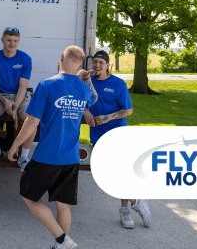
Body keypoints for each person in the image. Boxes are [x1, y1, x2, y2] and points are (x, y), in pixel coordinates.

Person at [8, 46, 96, 249]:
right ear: (80, 65)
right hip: (71, 158)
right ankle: (61, 246)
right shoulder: (83, 89)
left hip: (49, 155)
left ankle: (62, 240)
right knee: (62, 204)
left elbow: (31, 123)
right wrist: (87, 80)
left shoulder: (47, 85)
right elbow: (94, 98)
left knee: (28, 195)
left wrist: (15, 145)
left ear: (61, 58)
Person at [78, 50, 150, 229]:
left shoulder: (118, 84)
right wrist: (87, 112)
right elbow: (82, 103)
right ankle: (137, 200)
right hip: (98, 134)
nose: (97, 66)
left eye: (101, 63)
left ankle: (126, 209)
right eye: (95, 62)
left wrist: (108, 117)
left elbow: (128, 110)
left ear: (108, 65)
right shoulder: (87, 81)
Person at [0, 27, 33, 171]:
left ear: (19, 41)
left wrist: (15, 107)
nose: (12, 44)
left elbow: (23, 87)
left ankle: (24, 156)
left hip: (19, 97)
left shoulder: (25, 59)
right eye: (9, 40)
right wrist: (5, 101)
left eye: (15, 41)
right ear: (2, 40)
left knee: (32, 120)